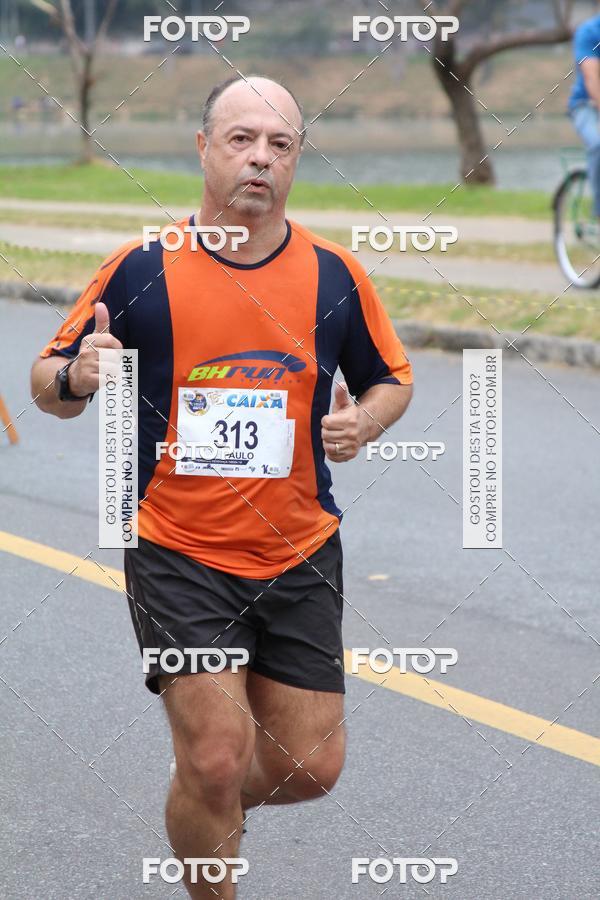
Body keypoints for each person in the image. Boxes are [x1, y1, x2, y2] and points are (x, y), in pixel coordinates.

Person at [31, 75, 413, 898]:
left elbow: (392, 378)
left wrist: (366, 422)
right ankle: (207, 799)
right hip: (177, 548)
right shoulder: (142, 268)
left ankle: (202, 802)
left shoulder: (335, 275)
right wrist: (77, 376)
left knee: (310, 768)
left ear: (297, 160)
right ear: (204, 148)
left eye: (280, 145)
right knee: (215, 755)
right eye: (242, 139)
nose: (260, 159)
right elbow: (44, 382)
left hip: (300, 550)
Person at [569, 11, 600, 216]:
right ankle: (599, 209)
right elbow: (591, 78)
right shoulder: (590, 32)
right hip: (585, 105)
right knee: (598, 144)